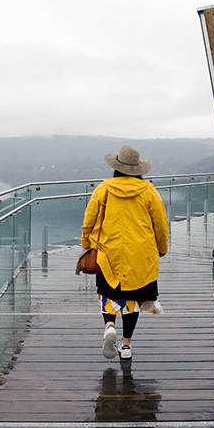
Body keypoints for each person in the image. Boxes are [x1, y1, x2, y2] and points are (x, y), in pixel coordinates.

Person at [81, 145, 169, 360]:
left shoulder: (104, 188)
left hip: (107, 251)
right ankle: (127, 346)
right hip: (140, 253)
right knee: (130, 299)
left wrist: (86, 242)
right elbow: (160, 223)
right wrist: (162, 248)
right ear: (138, 169)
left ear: (116, 167)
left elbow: (89, 219)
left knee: (109, 292)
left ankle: (110, 326)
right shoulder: (148, 190)